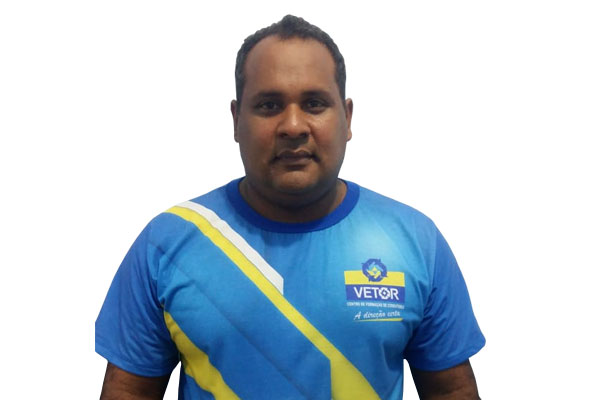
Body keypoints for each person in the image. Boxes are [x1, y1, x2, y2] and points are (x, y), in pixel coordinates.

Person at [96, 15, 485, 400]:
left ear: (347, 117)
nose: (294, 126)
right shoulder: (167, 243)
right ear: (236, 120)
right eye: (269, 105)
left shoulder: (414, 241)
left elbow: (451, 391)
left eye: (314, 104)